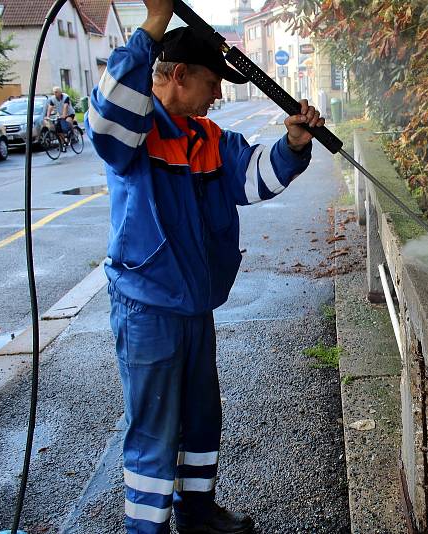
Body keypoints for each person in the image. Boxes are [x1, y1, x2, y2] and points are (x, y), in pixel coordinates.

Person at [85, 0, 324, 532]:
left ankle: (196, 516)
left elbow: (252, 177)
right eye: (211, 81)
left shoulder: (208, 138)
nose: (219, 93)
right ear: (176, 75)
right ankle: (147, 528)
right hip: (148, 309)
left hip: (194, 307)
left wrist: (292, 145)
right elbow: (104, 121)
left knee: (200, 422)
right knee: (153, 433)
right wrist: (152, 25)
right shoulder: (137, 132)